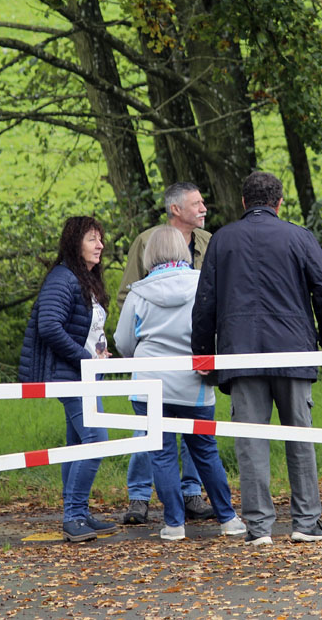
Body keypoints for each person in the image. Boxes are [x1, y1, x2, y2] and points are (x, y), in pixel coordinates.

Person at [191, 171, 322, 546]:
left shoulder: (222, 239)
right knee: (299, 437)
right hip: (292, 349)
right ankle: (306, 522)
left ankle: (259, 527)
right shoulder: (299, 237)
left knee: (251, 442)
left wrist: (203, 353)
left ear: (244, 202)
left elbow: (205, 300)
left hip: (240, 354)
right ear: (279, 202)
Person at [114, 226, 247, 540]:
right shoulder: (202, 285)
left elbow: (123, 342)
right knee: (205, 452)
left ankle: (174, 524)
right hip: (194, 385)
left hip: (149, 387)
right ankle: (228, 518)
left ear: (150, 254)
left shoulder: (138, 293)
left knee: (161, 455)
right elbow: (216, 331)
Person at [116, 182, 214, 526]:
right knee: (148, 433)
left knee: (194, 434)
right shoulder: (147, 241)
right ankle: (139, 497)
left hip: (194, 361)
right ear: (175, 209)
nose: (203, 208)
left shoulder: (208, 242)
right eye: (196, 203)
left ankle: (191, 494)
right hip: (154, 362)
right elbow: (128, 294)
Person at [19, 216, 118, 542]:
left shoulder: (83, 279)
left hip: (85, 375)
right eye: (92, 239)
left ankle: (79, 513)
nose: (100, 245)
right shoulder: (63, 278)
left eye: (100, 239)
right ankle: (73, 515)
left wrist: (99, 353)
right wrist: (86, 358)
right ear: (75, 244)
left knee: (77, 445)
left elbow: (85, 330)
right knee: (96, 440)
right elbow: (49, 326)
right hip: (72, 376)